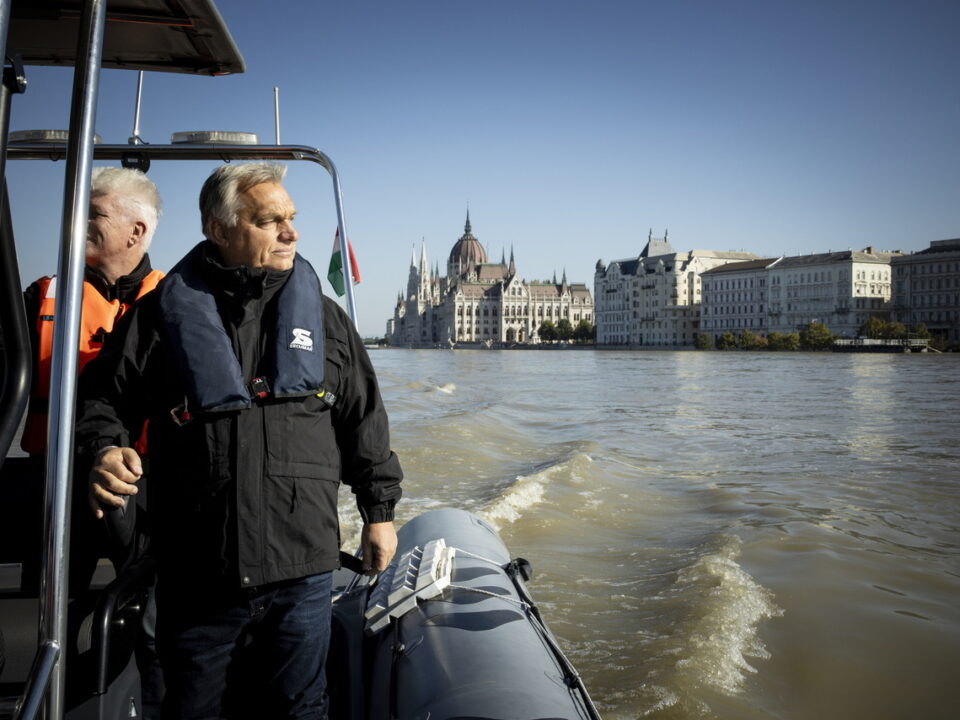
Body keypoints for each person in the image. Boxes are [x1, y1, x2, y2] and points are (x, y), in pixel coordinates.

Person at [76, 162, 403, 719]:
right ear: (219, 229)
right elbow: (100, 399)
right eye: (269, 220)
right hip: (199, 570)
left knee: (299, 708)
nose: (290, 232)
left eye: (291, 218)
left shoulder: (324, 318)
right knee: (194, 708)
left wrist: (380, 511)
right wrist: (105, 449)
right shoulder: (160, 317)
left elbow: (362, 418)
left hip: (301, 565)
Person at [21, 166, 164, 456]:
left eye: (94, 213)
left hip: (148, 480)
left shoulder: (174, 302)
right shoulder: (41, 297)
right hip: (50, 473)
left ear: (135, 231)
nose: (78, 222)